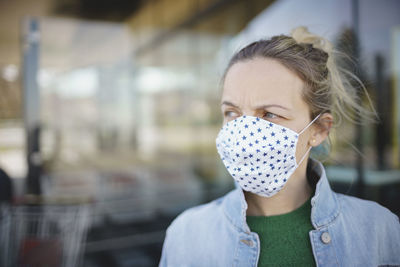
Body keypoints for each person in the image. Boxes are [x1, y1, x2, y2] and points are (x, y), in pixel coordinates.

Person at [159, 26, 400, 266]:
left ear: (319, 130)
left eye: (270, 114)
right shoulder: (186, 235)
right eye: (231, 112)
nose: (245, 131)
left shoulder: (378, 230)